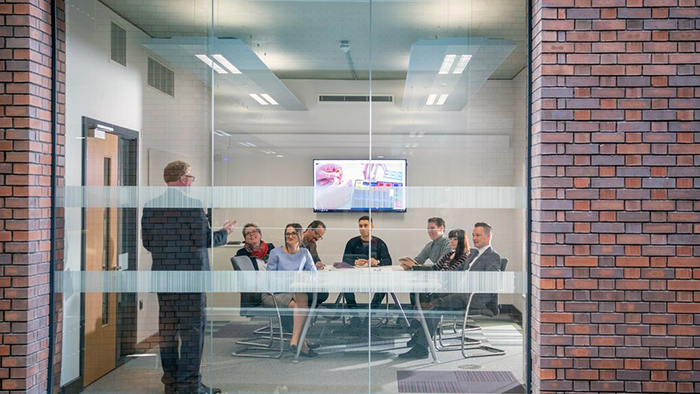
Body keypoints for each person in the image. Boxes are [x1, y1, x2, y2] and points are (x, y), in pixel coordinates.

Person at [142, 161, 235, 394]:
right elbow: (204, 240)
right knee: (192, 334)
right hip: (190, 281)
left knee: (168, 333)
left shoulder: (151, 206)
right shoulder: (192, 206)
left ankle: (171, 384)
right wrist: (224, 233)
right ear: (183, 179)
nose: (192, 182)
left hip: (165, 279)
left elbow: (148, 243)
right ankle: (190, 386)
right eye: (191, 177)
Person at [398, 222, 502, 359]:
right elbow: (455, 272)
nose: (474, 238)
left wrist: (463, 293)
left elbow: (490, 285)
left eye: (478, 235)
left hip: (473, 298)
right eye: (473, 235)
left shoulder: (492, 256)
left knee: (435, 306)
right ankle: (420, 335)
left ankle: (421, 345)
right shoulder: (473, 254)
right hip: (460, 292)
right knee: (429, 295)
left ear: (488, 236)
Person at [265, 223, 319, 357]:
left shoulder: (304, 253)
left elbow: (314, 274)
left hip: (296, 293)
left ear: (300, 236)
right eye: (287, 234)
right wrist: (292, 279)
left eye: (293, 233)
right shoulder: (275, 253)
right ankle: (299, 342)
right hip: (274, 293)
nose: (289, 236)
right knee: (303, 303)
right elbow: (270, 279)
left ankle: (296, 342)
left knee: (300, 302)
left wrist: (305, 277)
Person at [341, 216, 392, 320]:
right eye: (360, 226)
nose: (363, 228)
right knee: (345, 286)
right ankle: (354, 314)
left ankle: (371, 313)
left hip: (375, 277)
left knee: (383, 287)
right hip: (355, 277)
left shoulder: (379, 243)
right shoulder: (352, 242)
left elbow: (388, 260)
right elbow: (344, 260)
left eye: (365, 225)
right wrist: (355, 262)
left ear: (372, 227)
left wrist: (377, 261)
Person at [234, 223, 274, 310]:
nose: (251, 234)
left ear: (260, 235)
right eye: (248, 233)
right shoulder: (242, 254)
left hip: (275, 285)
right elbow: (244, 279)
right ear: (245, 238)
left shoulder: (271, 249)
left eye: (254, 231)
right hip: (259, 291)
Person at [300, 220, 330, 307]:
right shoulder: (296, 242)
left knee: (324, 292)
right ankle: (315, 309)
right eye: (316, 234)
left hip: (309, 279)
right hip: (298, 280)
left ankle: (314, 309)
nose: (317, 239)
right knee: (321, 294)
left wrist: (318, 263)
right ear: (310, 229)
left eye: (320, 237)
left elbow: (316, 258)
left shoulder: (312, 244)